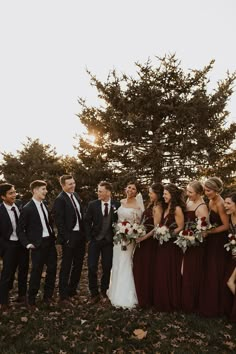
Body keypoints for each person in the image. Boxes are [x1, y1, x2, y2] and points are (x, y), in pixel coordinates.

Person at [17, 180, 57, 308]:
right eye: (43, 189)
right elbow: (20, 229)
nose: (46, 191)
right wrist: (27, 244)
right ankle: (31, 300)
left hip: (50, 242)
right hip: (37, 245)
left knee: (52, 269)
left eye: (45, 189)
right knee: (36, 272)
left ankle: (47, 297)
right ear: (35, 190)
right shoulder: (27, 208)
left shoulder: (44, 204)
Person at [107, 181, 143, 308]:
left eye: (134, 188)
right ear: (125, 188)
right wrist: (119, 230)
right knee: (117, 261)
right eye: (129, 187)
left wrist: (131, 232)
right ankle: (114, 291)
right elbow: (115, 219)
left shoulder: (138, 205)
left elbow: (138, 223)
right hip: (118, 237)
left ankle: (126, 295)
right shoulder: (120, 202)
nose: (131, 190)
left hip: (129, 238)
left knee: (125, 262)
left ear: (136, 192)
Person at [199, 177, 230, 317]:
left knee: (215, 270)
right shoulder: (211, 200)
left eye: (208, 190)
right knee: (209, 269)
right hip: (211, 240)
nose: (206, 193)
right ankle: (208, 302)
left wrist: (209, 231)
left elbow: (226, 226)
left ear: (216, 190)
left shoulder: (220, 203)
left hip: (219, 241)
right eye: (205, 190)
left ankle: (217, 306)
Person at [85, 181, 120, 304]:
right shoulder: (92, 205)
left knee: (107, 267)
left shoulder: (117, 205)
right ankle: (94, 293)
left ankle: (104, 291)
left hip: (109, 242)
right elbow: (87, 222)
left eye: (100, 191)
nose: (98, 193)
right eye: (98, 190)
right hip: (95, 240)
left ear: (108, 192)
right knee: (91, 267)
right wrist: (90, 238)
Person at [53, 175, 85, 303]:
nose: (73, 186)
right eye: (70, 184)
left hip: (80, 236)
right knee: (66, 266)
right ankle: (63, 294)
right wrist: (66, 238)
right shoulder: (60, 199)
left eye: (74, 183)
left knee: (78, 265)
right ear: (63, 186)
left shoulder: (76, 195)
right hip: (69, 237)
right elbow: (59, 221)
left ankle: (72, 290)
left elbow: (80, 215)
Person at [153, 183, 185, 312]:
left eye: (166, 194)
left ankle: (171, 301)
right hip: (163, 244)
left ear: (172, 195)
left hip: (172, 245)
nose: (164, 196)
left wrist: (168, 234)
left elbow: (181, 226)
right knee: (161, 271)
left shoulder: (177, 209)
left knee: (169, 271)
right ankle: (162, 300)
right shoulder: (166, 207)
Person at [133, 183, 164, 308]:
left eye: (151, 193)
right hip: (143, 241)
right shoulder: (152, 204)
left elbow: (156, 228)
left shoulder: (158, 207)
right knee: (139, 266)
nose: (149, 194)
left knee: (145, 268)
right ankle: (139, 294)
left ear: (158, 194)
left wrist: (143, 238)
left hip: (150, 243)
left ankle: (145, 298)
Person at [0, 183, 29, 311]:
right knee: (7, 273)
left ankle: (22, 296)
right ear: (2, 196)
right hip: (9, 245)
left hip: (22, 244)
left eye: (14, 192)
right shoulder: (0, 211)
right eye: (10, 193)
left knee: (23, 270)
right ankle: (4, 302)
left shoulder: (19, 205)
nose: (14, 195)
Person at [181, 181, 209, 313]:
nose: (188, 194)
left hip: (195, 245)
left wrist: (190, 238)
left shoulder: (202, 208)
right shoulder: (189, 200)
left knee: (191, 273)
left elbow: (204, 232)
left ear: (198, 193)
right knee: (183, 272)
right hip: (185, 241)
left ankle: (191, 304)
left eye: (190, 192)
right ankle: (184, 301)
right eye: (187, 191)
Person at [224, 192, 236, 321]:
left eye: (228, 203)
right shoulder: (230, 217)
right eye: (225, 203)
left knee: (230, 282)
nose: (225, 205)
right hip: (232, 255)